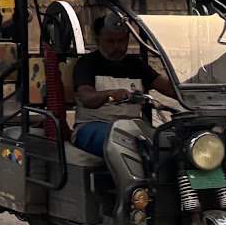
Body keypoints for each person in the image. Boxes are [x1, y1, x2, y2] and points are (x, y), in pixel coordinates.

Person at [72, 12, 177, 156]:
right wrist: (109, 94)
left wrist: (189, 90)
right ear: (98, 41)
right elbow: (87, 98)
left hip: (132, 126)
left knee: (169, 143)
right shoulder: (87, 63)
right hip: (93, 126)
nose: (117, 46)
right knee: (123, 144)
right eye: (110, 41)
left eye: (121, 41)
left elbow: (169, 89)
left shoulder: (136, 65)